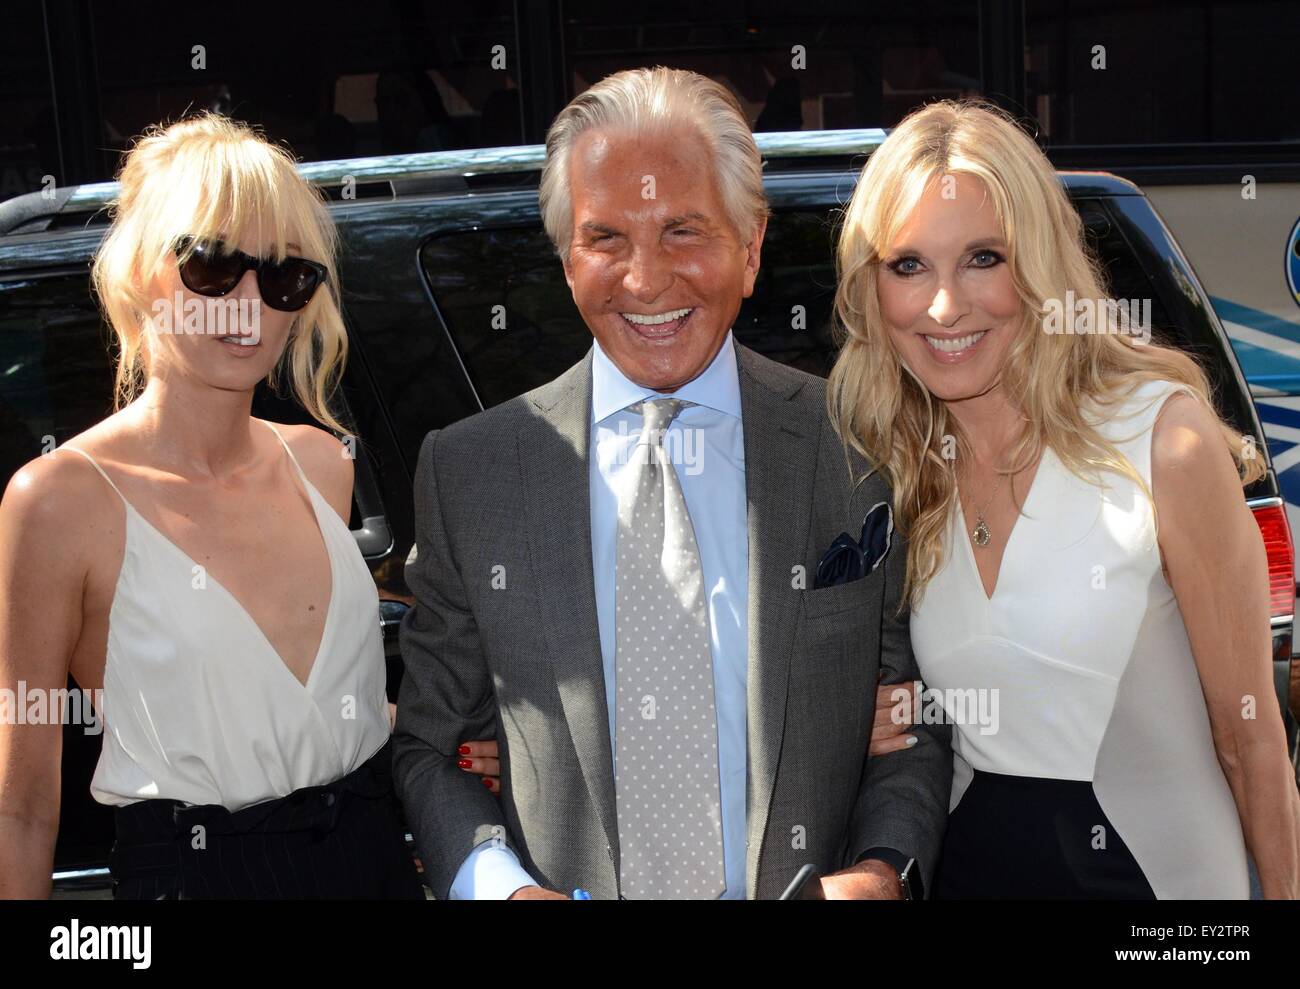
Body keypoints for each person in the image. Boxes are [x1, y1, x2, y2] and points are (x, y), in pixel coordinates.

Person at [393, 67, 951, 900]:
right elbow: (433, 749)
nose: (646, 279)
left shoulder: (859, 442)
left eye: (684, 230)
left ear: (752, 245)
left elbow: (914, 718)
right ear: (566, 257)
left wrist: (883, 873)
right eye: (606, 238)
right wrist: (500, 886)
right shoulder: (473, 473)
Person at [828, 100, 1300, 898]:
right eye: (908, 264)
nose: (945, 305)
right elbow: (969, 696)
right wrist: (857, 715)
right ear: (874, 289)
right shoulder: (897, 465)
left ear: (1040, 261)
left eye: (984, 257)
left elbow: (1249, 741)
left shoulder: (1163, 440)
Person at [0, 113, 422, 899]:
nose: (251, 301)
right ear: (140, 272)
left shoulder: (322, 463)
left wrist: (457, 741)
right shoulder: (59, 501)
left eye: (287, 275)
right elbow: (21, 804)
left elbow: (310, 713)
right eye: (214, 265)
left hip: (374, 862)